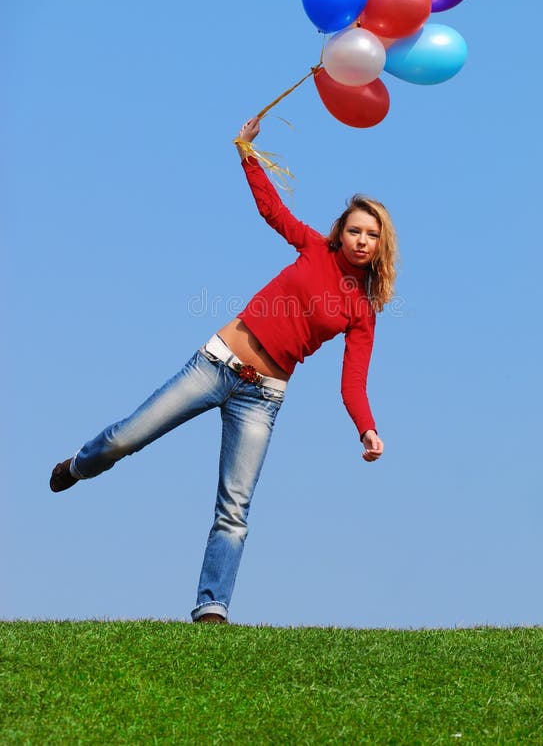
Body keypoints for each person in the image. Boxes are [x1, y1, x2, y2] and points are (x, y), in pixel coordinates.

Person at [50, 117, 398, 623]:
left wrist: (366, 429)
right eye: (355, 230)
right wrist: (247, 154)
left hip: (263, 397)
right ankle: (80, 465)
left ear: (380, 245)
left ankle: (211, 608)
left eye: (372, 235)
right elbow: (272, 210)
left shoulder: (362, 310)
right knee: (128, 437)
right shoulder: (312, 248)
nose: (362, 240)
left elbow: (353, 383)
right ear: (340, 232)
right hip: (216, 364)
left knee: (234, 510)